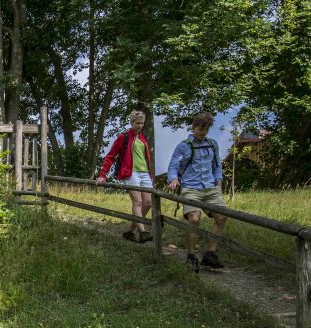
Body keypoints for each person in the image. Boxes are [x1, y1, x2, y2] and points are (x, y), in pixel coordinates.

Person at [166, 111, 227, 272]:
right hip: (190, 188)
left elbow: (217, 166)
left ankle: (210, 254)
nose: (203, 133)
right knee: (194, 219)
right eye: (200, 129)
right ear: (194, 128)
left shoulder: (212, 144)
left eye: (206, 130)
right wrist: (173, 180)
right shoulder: (184, 146)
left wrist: (218, 185)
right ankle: (191, 256)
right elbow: (173, 166)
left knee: (222, 217)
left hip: (210, 188)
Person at [96, 110, 154, 243]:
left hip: (145, 173)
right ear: (131, 122)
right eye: (137, 123)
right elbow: (110, 156)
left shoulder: (143, 138)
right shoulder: (124, 137)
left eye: (142, 123)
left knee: (148, 203)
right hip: (130, 173)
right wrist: (102, 175)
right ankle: (143, 232)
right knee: (137, 202)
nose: (140, 125)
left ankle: (129, 232)